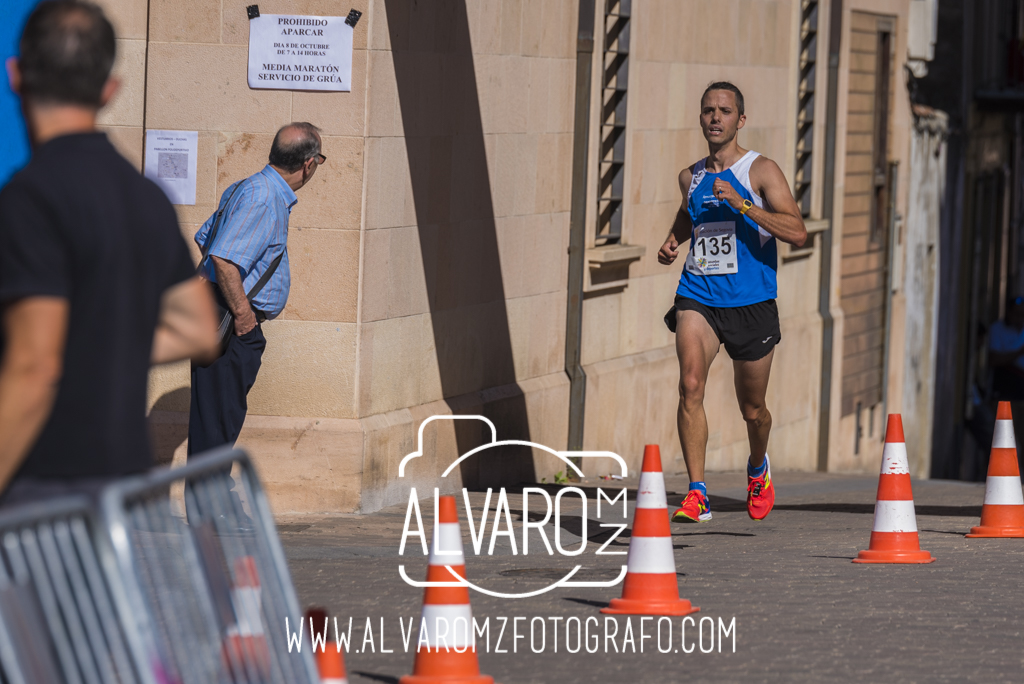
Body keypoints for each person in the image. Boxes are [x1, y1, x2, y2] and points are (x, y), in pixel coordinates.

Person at [0, 0, 219, 506]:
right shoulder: (148, 197)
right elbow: (198, 329)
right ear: (108, 90)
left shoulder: (30, 198)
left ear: (16, 76)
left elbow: (35, 367)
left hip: (45, 492)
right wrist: (102, 353)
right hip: (123, 487)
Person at [658, 81, 807, 522]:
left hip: (752, 302)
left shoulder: (760, 170)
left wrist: (744, 205)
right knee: (690, 385)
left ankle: (758, 467)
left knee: (753, 408)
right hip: (698, 295)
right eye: (708, 110)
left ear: (740, 120)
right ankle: (697, 493)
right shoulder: (692, 177)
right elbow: (690, 214)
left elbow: (797, 232)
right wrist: (673, 240)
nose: (715, 118)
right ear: (701, 118)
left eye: (725, 111)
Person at [188, 122, 323, 457]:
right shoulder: (264, 198)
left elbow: (206, 239)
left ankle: (214, 505)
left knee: (218, 424)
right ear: (308, 164)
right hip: (231, 324)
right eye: (319, 160)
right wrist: (244, 317)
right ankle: (210, 510)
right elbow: (223, 258)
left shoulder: (247, 188)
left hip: (220, 317)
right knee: (218, 427)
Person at [990, 294, 1024, 444]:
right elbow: (994, 359)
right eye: (1017, 313)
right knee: (1003, 441)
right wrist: (1018, 352)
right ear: (1009, 312)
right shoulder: (998, 329)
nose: (1020, 317)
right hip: (1005, 393)